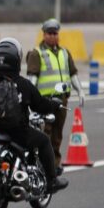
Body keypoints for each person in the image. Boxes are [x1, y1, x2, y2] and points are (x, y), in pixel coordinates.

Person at [0, 37, 68, 194]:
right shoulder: (23, 84)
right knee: (43, 141)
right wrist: (54, 104)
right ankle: (52, 181)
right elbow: (41, 105)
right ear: (16, 60)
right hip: (15, 132)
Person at [26, 18, 85, 173]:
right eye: (49, 33)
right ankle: (43, 166)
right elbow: (32, 78)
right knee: (45, 133)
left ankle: (54, 165)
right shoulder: (37, 53)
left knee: (57, 135)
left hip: (62, 100)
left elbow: (72, 73)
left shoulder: (65, 53)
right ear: (43, 34)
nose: (53, 36)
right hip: (44, 100)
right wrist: (28, 98)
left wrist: (80, 90)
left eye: (55, 33)